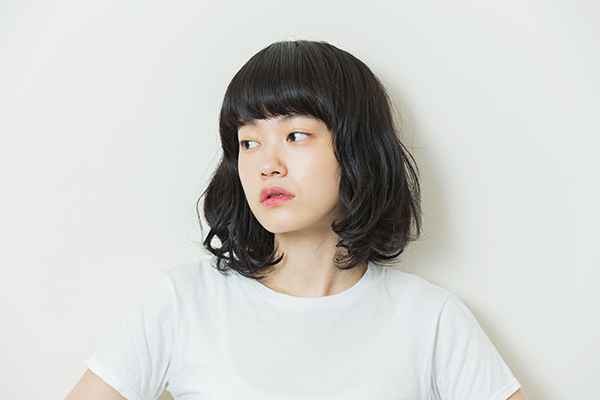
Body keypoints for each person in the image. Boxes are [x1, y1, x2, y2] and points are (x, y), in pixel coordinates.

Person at [66, 40, 528, 400]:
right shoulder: (182, 302)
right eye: (248, 142)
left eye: (296, 135)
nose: (267, 164)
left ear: (355, 149)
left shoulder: (429, 318)